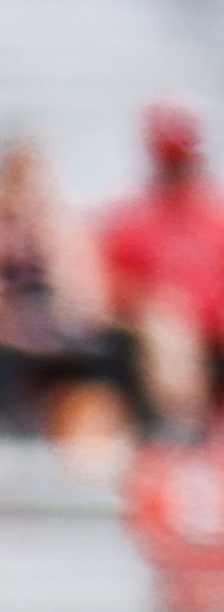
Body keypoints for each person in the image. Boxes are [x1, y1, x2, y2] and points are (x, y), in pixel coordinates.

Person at [0, 132, 131, 459]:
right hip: (2, 336)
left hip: (51, 332)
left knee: (112, 351)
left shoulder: (57, 228)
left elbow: (86, 300)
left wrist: (42, 236)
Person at [95, 100, 224, 439]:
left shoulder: (216, 213)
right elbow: (103, 294)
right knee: (169, 329)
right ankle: (180, 429)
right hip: (152, 337)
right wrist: (159, 308)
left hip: (213, 333)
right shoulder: (127, 218)